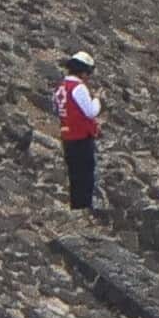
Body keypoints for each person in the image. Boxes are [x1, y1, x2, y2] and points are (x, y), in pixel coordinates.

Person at [53, 51, 102, 210]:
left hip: (68, 136)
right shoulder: (78, 87)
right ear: (83, 72)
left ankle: (76, 208)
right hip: (81, 137)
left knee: (75, 177)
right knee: (85, 177)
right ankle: (84, 208)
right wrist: (97, 99)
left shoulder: (61, 87)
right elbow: (90, 111)